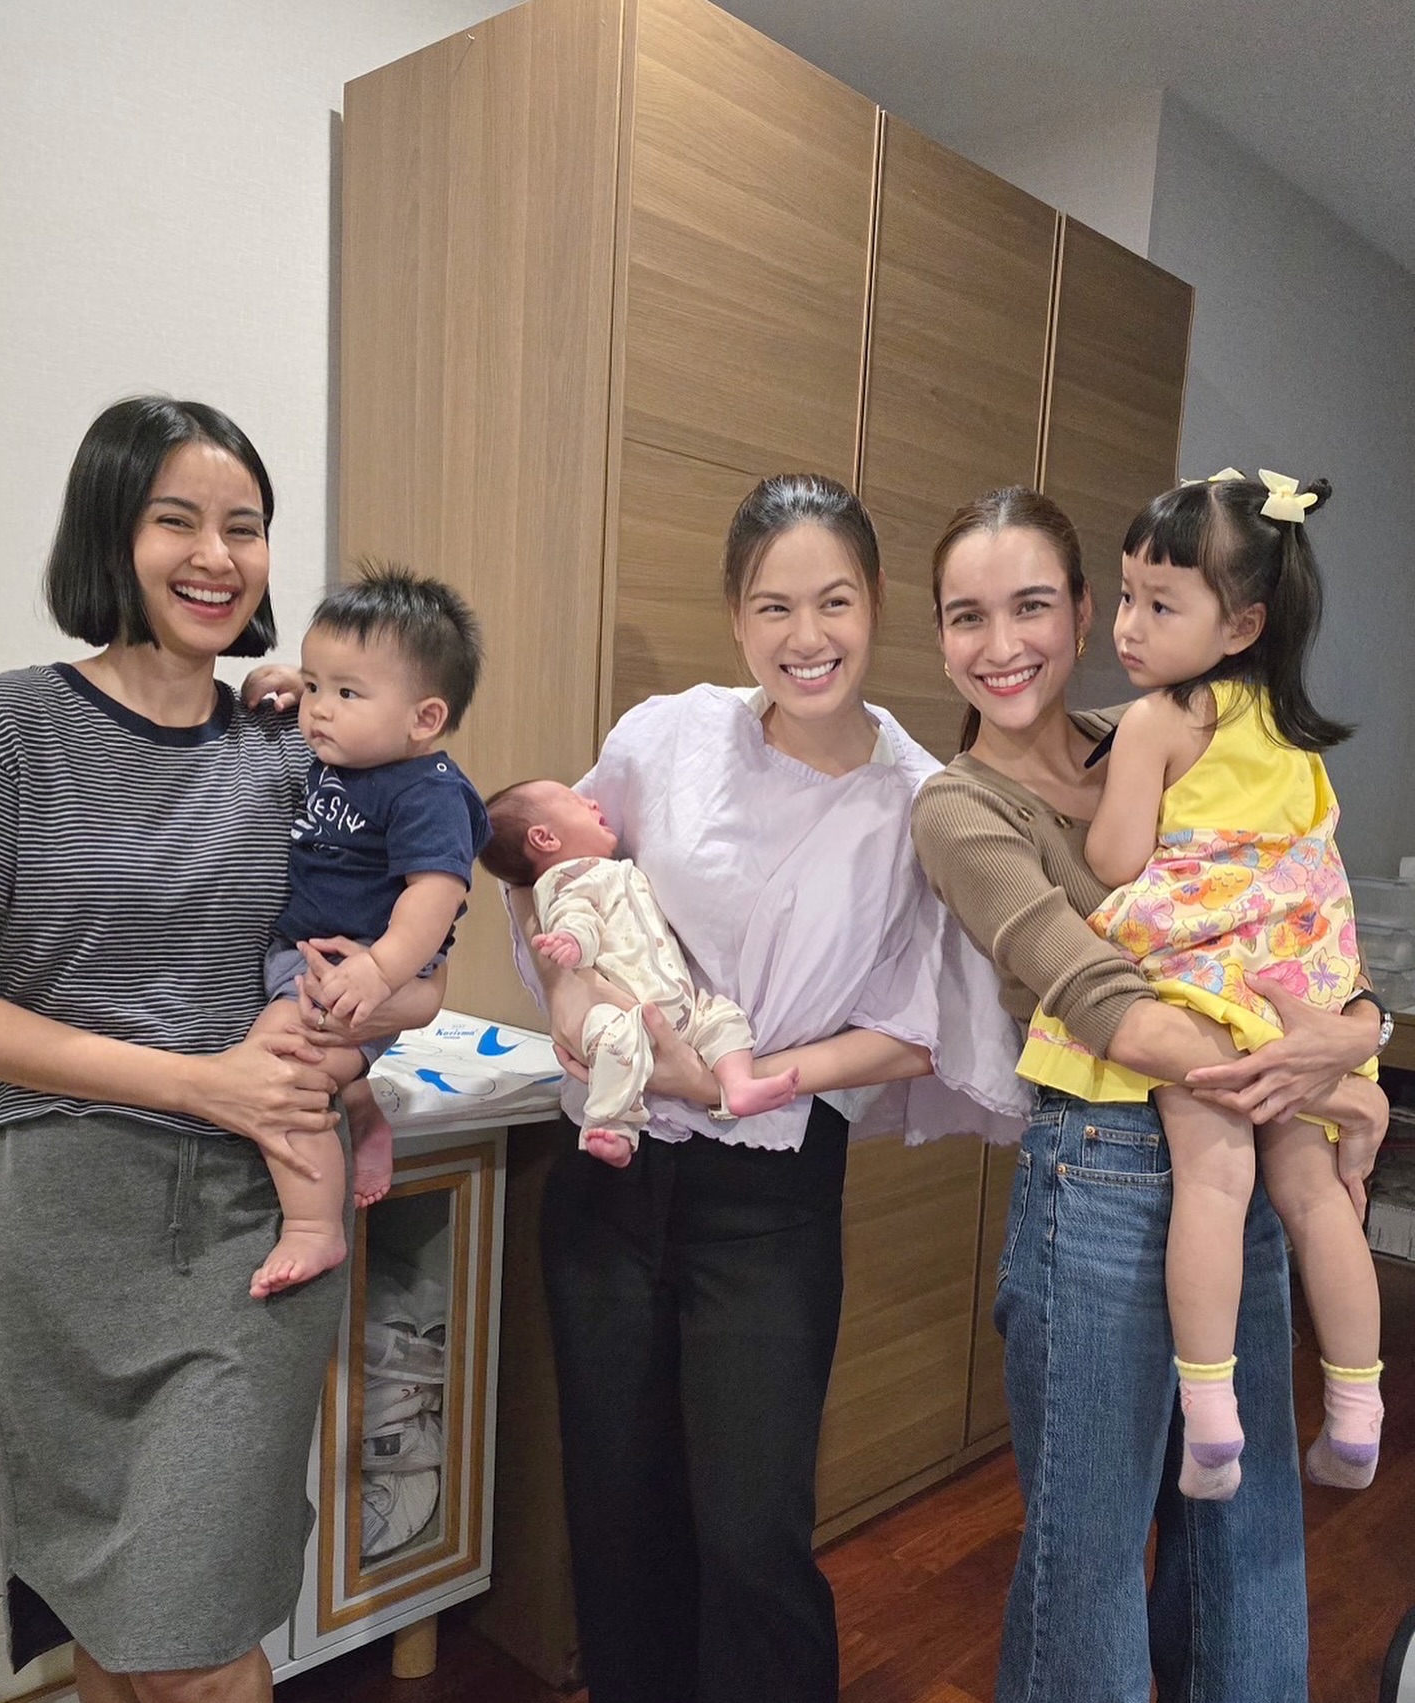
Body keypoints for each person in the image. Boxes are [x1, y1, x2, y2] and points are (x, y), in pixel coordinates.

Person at [508, 473, 1025, 1703]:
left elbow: (916, 1031)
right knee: (618, 1515)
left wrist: (743, 1081)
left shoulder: (918, 800)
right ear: (737, 616)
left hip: (767, 1199)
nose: (807, 637)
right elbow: (551, 876)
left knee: (752, 1534)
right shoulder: (665, 736)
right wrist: (571, 992)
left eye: (834, 601)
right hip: (610, 1176)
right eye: (774, 606)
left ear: (877, 602)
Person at [0, 397, 443, 1703]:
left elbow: (415, 967)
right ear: (108, 531)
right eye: (175, 518)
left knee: (194, 1641)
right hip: (64, 1222)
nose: (216, 554)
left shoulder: (299, 750)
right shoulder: (4, 732)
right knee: (106, 1626)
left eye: (245, 525)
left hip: (254, 1223)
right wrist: (199, 1078)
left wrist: (347, 1042)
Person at [909, 485, 1388, 1703]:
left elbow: (1306, 911)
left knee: (1249, 1524)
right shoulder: (963, 803)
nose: (1001, 644)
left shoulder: (1183, 722)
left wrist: (1357, 1037)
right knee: (1092, 1548)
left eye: (1031, 605)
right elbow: (1096, 992)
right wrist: (1307, 1069)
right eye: (966, 616)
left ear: (1083, 613)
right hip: (1108, 1169)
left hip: (1252, 1144)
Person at [1015, 469, 1382, 1500]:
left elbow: (1119, 858)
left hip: (1206, 990)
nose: (1128, 625)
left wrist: (1099, 806)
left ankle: (1213, 1422)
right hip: (1297, 994)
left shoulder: (1160, 720)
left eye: (1161, 604)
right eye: (1127, 594)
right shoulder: (1294, 735)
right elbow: (1312, 866)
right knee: (1316, 1198)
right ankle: (1358, 1412)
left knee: (1215, 1188)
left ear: (1243, 623)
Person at [245, 562, 490, 1298]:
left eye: (345, 694)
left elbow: (433, 898)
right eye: (316, 686)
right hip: (309, 955)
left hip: (358, 969)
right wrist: (278, 682)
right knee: (320, 1070)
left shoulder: (428, 792)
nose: (319, 710)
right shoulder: (344, 753)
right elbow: (300, 695)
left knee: (281, 1070)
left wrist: (380, 970)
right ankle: (363, 1108)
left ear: (425, 719)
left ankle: (313, 1225)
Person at [479, 778, 799, 1166]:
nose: (593, 802)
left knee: (724, 1017)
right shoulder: (567, 880)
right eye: (575, 801)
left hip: (680, 1004)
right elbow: (574, 916)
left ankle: (737, 1085)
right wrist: (573, 941)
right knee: (615, 1044)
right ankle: (611, 1126)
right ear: (544, 838)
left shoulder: (611, 870)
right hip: (626, 1009)